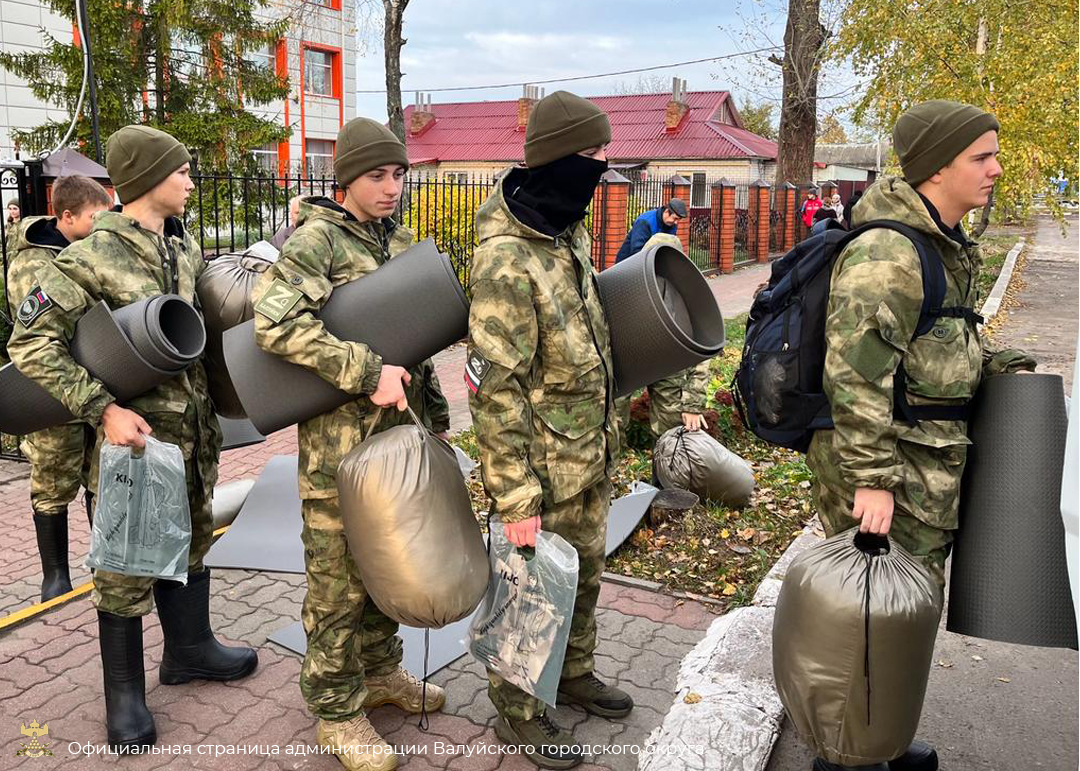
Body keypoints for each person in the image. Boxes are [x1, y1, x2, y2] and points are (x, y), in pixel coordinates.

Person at [7, 125, 258, 752]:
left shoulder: (185, 248)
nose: (191, 181)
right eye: (182, 172)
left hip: (194, 438)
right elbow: (30, 343)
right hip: (133, 443)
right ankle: (124, 698)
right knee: (125, 564)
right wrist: (102, 410)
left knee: (193, 539)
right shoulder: (87, 257)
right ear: (148, 180)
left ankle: (190, 650)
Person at [804, 100, 1036, 771]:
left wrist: (998, 365)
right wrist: (872, 480)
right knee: (870, 627)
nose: (995, 168)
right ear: (938, 167)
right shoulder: (888, 254)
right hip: (889, 477)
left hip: (927, 470)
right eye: (981, 156)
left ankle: (885, 738)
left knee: (904, 620)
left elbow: (942, 341)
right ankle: (848, 757)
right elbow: (852, 374)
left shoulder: (943, 243)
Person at [252, 117, 450, 771]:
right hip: (338, 452)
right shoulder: (316, 241)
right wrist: (365, 371)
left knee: (385, 564)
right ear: (346, 179)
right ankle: (336, 711)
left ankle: (380, 673)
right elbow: (274, 326)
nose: (392, 186)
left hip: (394, 442)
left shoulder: (397, 241)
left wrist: (436, 409)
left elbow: (413, 342)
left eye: (398, 173)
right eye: (377, 175)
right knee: (337, 583)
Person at [467, 89, 632, 770]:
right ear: (561, 159)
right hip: (536, 465)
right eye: (593, 155)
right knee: (530, 591)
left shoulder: (567, 231)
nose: (601, 168)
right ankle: (517, 710)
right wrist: (514, 496)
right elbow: (493, 387)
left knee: (584, 576)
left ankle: (572, 674)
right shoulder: (506, 258)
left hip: (586, 450)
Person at [5, 174, 112, 601]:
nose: (102, 226)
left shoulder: (86, 251)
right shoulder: (32, 263)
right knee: (53, 477)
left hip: (98, 380)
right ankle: (55, 575)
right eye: (94, 218)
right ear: (67, 217)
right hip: (51, 391)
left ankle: (101, 561)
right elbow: (39, 333)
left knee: (98, 476)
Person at [615, 232, 711, 442]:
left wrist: (693, 405)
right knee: (612, 421)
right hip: (628, 360)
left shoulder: (689, 295)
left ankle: (666, 466)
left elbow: (702, 353)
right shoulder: (623, 285)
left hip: (669, 363)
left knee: (671, 431)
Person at [614, 197, 687, 263]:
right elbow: (636, 251)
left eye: (679, 220)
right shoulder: (645, 222)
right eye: (675, 218)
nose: (676, 222)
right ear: (667, 211)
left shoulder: (671, 224)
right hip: (626, 265)